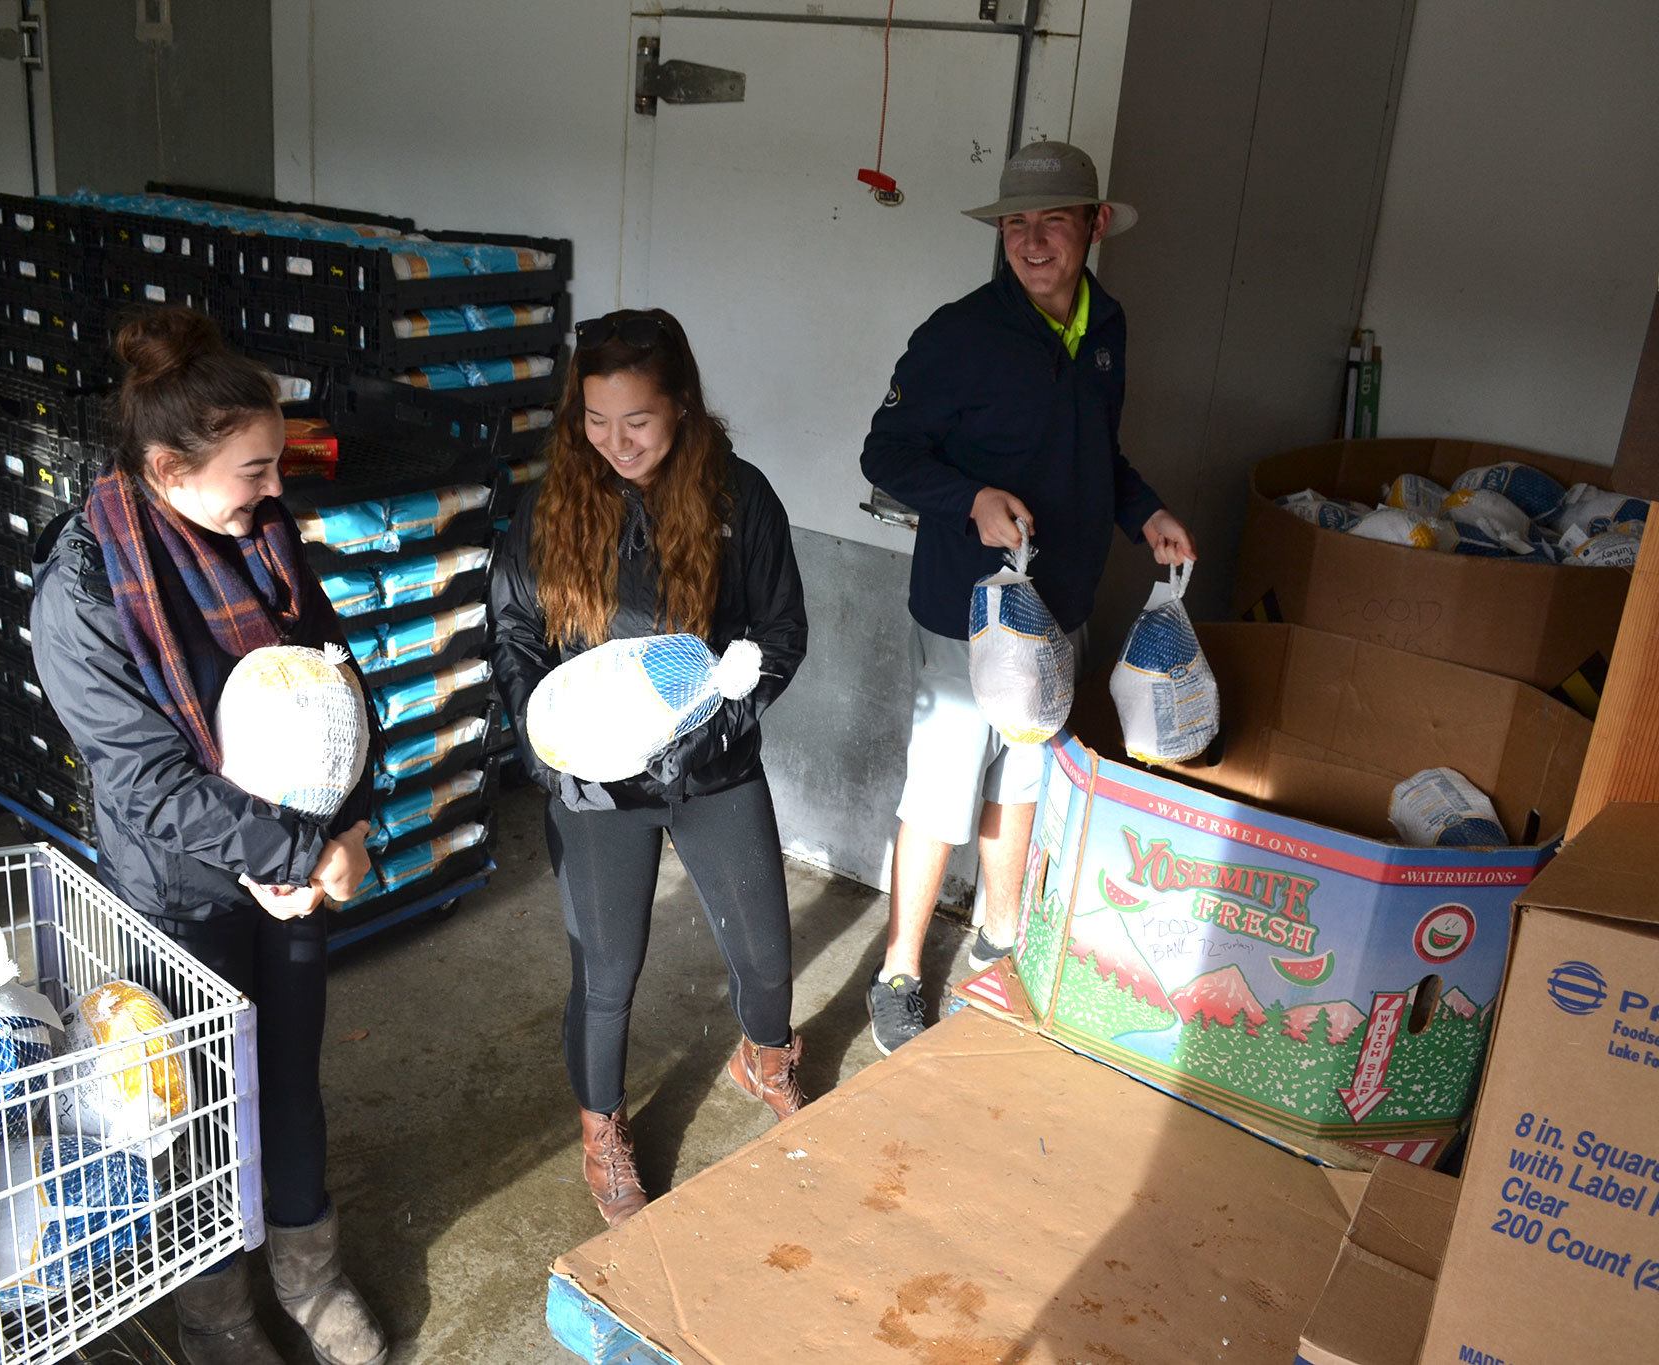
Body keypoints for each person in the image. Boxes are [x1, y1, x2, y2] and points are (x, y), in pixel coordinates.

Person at [31, 307, 389, 1365]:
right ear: (167, 470)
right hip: (178, 889)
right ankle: (215, 1308)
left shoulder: (263, 540)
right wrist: (298, 853)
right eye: (253, 470)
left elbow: (337, 687)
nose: (275, 490)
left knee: (289, 1075)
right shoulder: (84, 588)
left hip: (292, 873)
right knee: (197, 1100)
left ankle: (308, 1273)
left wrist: (352, 822)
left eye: (275, 466)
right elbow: (145, 782)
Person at [857, 141, 1195, 1054]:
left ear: (1095, 225)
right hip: (966, 613)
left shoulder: (1106, 326)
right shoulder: (959, 334)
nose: (1033, 241)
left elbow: (1098, 453)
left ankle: (998, 943)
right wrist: (969, 497)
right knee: (942, 788)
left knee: (1025, 774)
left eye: (1053, 221)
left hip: (1061, 603)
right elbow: (884, 452)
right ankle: (898, 972)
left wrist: (1146, 513)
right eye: (1016, 223)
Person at [489, 308, 810, 1227]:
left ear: (681, 407)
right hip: (595, 784)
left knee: (767, 958)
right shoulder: (552, 503)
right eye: (596, 420)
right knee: (607, 972)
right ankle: (602, 1129)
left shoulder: (739, 496)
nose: (616, 441)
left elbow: (780, 632)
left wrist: (715, 727)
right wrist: (545, 745)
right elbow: (515, 632)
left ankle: (765, 1057)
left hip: (711, 763)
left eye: (637, 420)